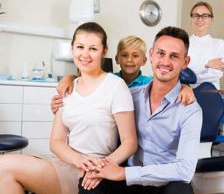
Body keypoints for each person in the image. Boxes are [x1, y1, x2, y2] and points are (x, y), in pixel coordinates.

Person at [0, 22, 137, 194]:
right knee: (3, 168)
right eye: (80, 47)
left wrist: (102, 167)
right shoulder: (68, 87)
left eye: (93, 49)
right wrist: (78, 159)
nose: (85, 54)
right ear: (72, 49)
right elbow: (56, 142)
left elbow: (130, 142)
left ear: (104, 51)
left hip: (94, 172)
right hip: (65, 165)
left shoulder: (116, 87)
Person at [80, 26, 203, 194]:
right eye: (161, 53)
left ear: (185, 63)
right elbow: (92, 105)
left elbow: (185, 170)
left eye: (174, 56)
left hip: (162, 183)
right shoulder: (129, 95)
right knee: (89, 183)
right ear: (151, 55)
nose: (165, 62)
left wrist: (124, 173)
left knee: (181, 190)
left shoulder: (190, 110)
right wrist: (65, 94)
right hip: (128, 181)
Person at [51, 35, 195, 114]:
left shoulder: (148, 82)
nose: (130, 60)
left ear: (145, 60)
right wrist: (69, 77)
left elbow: (167, 85)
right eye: (125, 55)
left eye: (135, 56)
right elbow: (87, 82)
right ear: (117, 59)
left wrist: (185, 87)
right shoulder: (109, 80)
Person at [188, 1, 224, 89]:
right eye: (196, 15)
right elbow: (180, 72)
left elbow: (216, 74)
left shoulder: (219, 44)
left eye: (205, 16)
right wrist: (207, 64)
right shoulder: (183, 43)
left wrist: (190, 75)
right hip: (186, 95)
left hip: (210, 94)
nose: (200, 19)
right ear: (192, 19)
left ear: (211, 20)